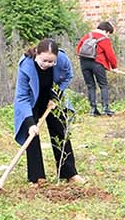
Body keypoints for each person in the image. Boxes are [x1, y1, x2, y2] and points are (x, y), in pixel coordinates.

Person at [13, 38, 80, 183]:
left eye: (51, 62)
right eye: (44, 61)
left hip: (52, 99)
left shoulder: (62, 59)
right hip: (31, 102)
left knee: (61, 132)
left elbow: (68, 76)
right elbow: (22, 97)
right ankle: (37, 178)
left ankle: (69, 173)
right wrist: (31, 123)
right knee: (31, 136)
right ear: (36, 53)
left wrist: (55, 96)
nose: (47, 65)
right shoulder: (26, 66)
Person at [77, 21, 119, 116]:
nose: (108, 35)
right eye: (109, 33)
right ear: (105, 30)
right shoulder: (104, 39)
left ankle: (93, 109)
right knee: (103, 85)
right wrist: (114, 67)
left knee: (90, 86)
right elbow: (110, 54)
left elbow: (78, 48)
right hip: (97, 63)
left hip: (84, 63)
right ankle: (105, 108)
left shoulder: (87, 36)